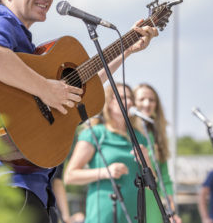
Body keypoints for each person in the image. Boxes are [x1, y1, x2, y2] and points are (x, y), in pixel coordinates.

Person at [0, 0, 158, 223]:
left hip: (28, 187)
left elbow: (79, 90)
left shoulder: (27, 52)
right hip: (0, 184)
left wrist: (126, 49)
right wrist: (46, 89)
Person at [64, 83, 152, 223]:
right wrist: (105, 172)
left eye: (130, 98)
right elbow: (70, 176)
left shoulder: (139, 137)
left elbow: (151, 185)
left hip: (134, 215)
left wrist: (146, 160)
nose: (128, 102)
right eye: (122, 97)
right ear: (109, 103)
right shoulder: (95, 134)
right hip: (103, 215)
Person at [133, 83, 182, 223]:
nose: (147, 103)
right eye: (141, 99)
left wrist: (171, 211)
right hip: (133, 200)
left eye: (151, 100)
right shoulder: (127, 134)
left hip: (154, 202)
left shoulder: (156, 134)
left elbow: (165, 177)